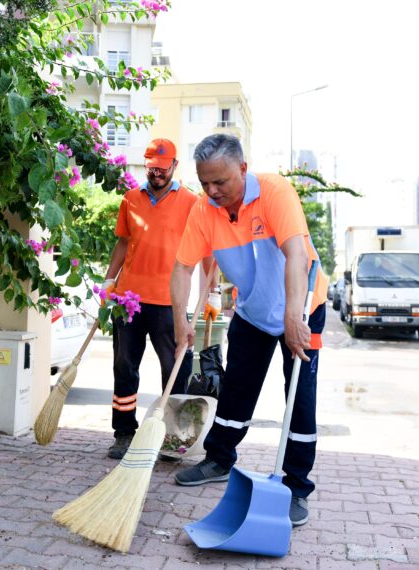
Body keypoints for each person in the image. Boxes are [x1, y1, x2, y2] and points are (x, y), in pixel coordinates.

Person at [169, 133, 327, 527]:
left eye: (220, 181)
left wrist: (293, 319)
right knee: (237, 387)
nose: (211, 190)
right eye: (204, 182)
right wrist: (180, 320)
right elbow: (183, 267)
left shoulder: (274, 192)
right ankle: (219, 458)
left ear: (242, 168)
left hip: (302, 307)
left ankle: (296, 486)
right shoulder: (205, 211)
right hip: (254, 312)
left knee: (299, 398)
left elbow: (295, 254)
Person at [103, 138, 203, 459]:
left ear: (174, 166)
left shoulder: (190, 202)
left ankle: (172, 437)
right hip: (128, 299)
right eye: (151, 168)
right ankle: (124, 432)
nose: (157, 174)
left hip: (169, 302)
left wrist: (208, 292)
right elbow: (122, 243)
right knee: (124, 367)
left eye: (162, 168)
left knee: (175, 370)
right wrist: (108, 280)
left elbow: (204, 247)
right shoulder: (130, 199)